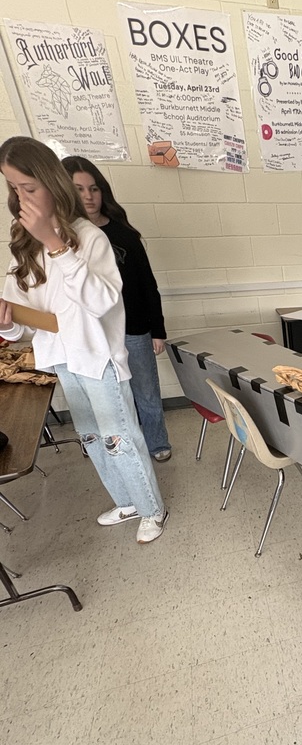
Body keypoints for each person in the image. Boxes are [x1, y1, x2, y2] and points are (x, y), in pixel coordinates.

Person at [0, 136, 168, 543]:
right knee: (92, 437)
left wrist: (56, 243)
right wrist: (6, 323)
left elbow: (102, 302)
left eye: (29, 187)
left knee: (119, 435)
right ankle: (127, 501)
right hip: (61, 359)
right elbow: (25, 321)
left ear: (50, 182)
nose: (21, 198)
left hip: (98, 358)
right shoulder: (22, 245)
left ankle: (151, 507)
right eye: (13, 188)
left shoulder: (88, 238)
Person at [62, 156, 171, 462]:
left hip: (133, 329)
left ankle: (156, 443)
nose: (88, 196)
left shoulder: (124, 235)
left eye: (94, 188)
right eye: (79, 189)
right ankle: (113, 449)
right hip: (90, 335)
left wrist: (157, 330)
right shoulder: (61, 239)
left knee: (146, 392)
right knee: (106, 399)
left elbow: (148, 285)